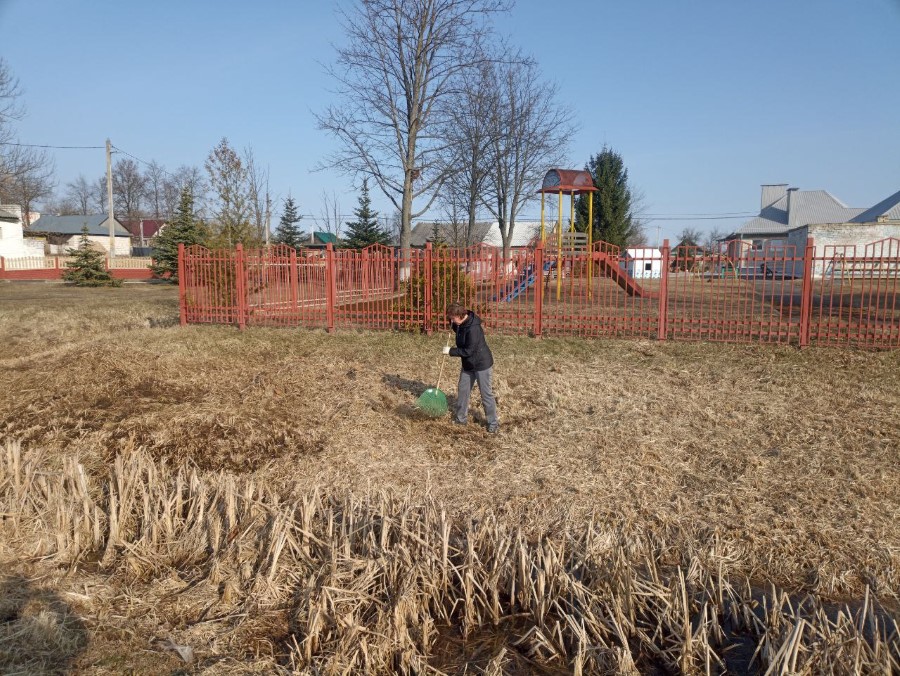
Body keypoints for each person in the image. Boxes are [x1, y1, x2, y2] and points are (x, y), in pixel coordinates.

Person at [443, 302, 499, 433]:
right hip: (468, 364)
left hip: (481, 364)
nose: (451, 321)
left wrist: (451, 351)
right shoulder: (460, 323)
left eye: (453, 318)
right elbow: (459, 331)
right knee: (463, 391)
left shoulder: (473, 329)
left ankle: (493, 423)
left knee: (486, 394)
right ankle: (460, 419)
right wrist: (452, 323)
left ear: (460, 315)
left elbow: (469, 351)